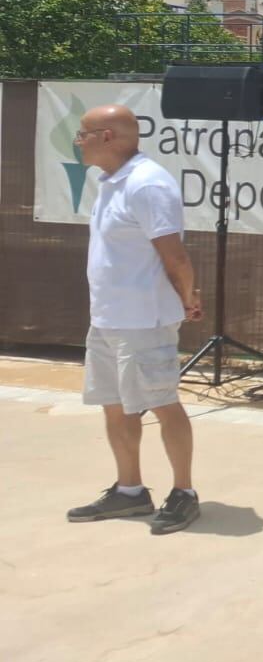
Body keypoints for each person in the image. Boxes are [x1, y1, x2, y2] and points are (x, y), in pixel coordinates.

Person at [67, 105, 204, 533]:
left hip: (145, 321)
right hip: (108, 319)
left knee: (163, 404)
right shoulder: (110, 182)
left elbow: (174, 254)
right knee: (115, 407)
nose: (77, 140)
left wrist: (188, 296)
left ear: (107, 137)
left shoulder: (148, 184)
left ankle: (184, 493)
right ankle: (130, 492)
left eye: (83, 133)